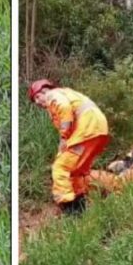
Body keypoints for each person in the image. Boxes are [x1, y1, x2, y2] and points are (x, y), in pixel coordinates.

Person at [29, 79, 109, 215]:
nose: (37, 102)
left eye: (37, 97)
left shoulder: (53, 95)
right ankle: (80, 207)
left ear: (44, 91)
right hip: (98, 130)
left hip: (87, 130)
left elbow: (64, 108)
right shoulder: (68, 93)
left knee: (60, 167)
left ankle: (70, 209)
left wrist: (64, 137)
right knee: (76, 171)